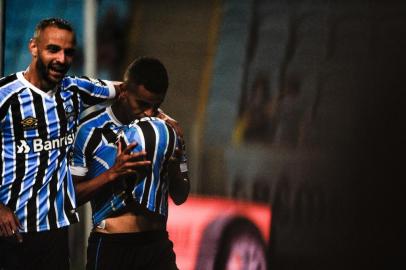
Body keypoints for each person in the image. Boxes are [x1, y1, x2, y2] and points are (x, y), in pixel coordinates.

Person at [0, 17, 146, 269]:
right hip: (9, 231)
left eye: (68, 52)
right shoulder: (5, 95)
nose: (61, 59)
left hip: (55, 231)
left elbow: (130, 90)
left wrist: (166, 118)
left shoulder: (75, 89)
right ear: (33, 47)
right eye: (53, 49)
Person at [70, 57, 190, 269]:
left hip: (157, 244)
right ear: (123, 91)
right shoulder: (89, 131)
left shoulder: (167, 130)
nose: (150, 113)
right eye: (142, 104)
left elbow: (181, 196)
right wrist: (112, 173)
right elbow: (69, 197)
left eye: (157, 105)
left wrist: (173, 165)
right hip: (113, 248)